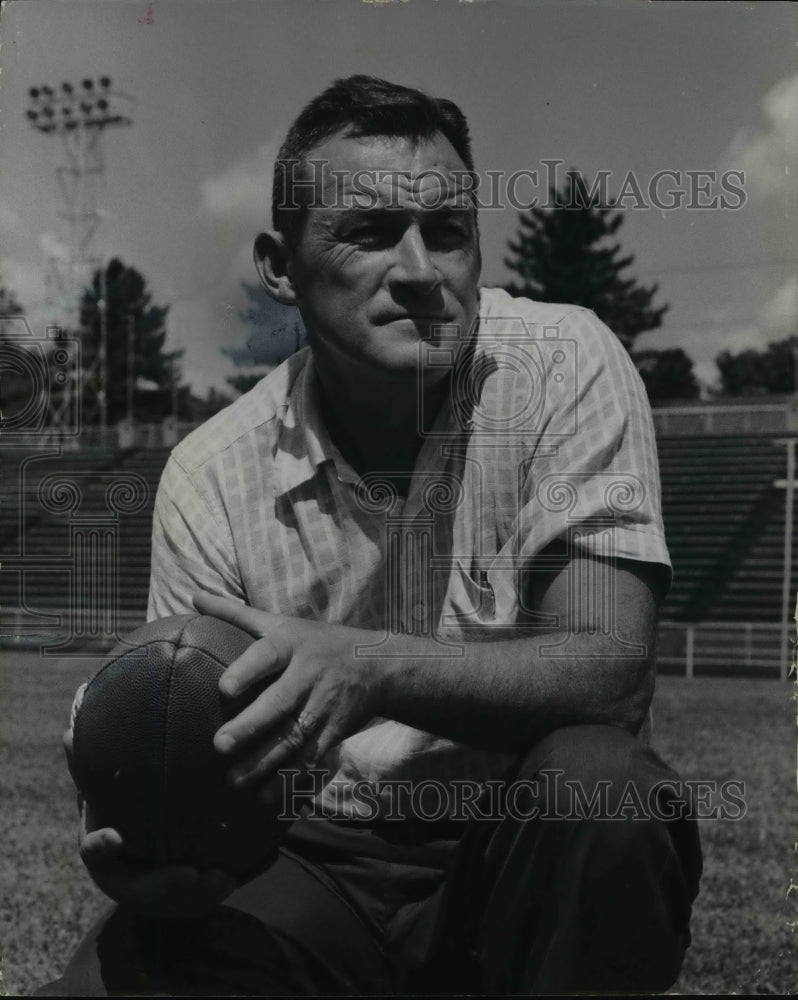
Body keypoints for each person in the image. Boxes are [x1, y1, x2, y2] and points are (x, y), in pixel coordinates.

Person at [42, 75, 701, 995]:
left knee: (605, 787)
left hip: (516, 845)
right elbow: (190, 744)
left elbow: (611, 671)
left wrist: (363, 665)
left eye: (448, 231)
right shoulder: (209, 471)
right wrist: (156, 846)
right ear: (280, 266)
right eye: (367, 232)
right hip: (308, 854)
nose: (421, 270)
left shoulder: (563, 362)